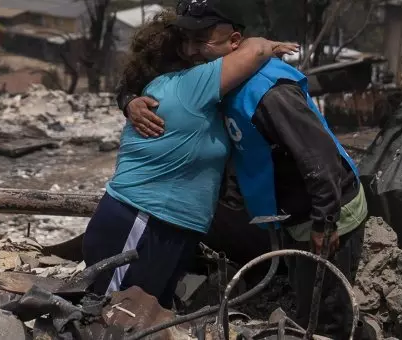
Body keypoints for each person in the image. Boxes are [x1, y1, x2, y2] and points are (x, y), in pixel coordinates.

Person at [117, 0, 368, 337]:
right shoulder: (218, 79)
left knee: (327, 316)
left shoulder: (268, 91)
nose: (191, 51)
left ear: (235, 43)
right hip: (292, 212)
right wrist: (128, 101)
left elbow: (318, 156)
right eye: (186, 40)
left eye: (202, 40)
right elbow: (141, 74)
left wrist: (325, 221)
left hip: (325, 212)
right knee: (310, 301)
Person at [83, 9, 297, 309]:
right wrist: (268, 44)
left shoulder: (179, 92)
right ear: (179, 51)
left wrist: (127, 100)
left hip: (168, 228)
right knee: (111, 318)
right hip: (142, 224)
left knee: (144, 320)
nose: (197, 49)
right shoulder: (188, 86)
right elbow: (256, 50)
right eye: (191, 42)